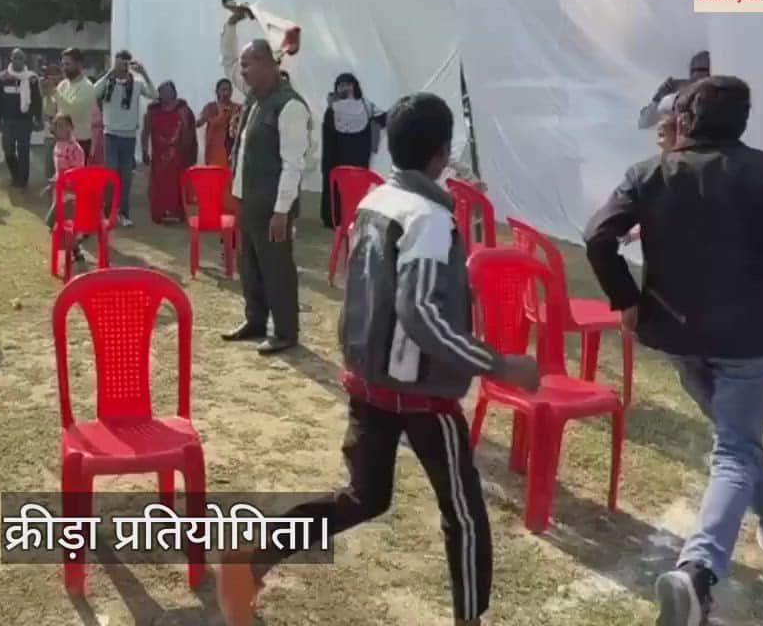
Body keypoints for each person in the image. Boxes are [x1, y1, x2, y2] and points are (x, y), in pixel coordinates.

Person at [217, 92, 541, 626]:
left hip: (369, 378)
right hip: (419, 391)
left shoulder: (375, 202)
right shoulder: (429, 218)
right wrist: (498, 364)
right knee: (462, 513)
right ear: (441, 155)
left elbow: (369, 287)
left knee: (365, 497)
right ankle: (470, 618)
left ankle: (253, 556)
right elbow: (419, 313)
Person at [584, 76, 763, 626]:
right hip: (746, 341)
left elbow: (597, 237)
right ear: (743, 120)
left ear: (684, 118)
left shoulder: (650, 173)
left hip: (679, 337)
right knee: (736, 452)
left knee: (738, 450)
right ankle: (697, 574)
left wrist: (626, 300)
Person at [217, 8, 313, 355]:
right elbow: (227, 61)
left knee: (277, 269)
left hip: (274, 206)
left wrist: (281, 211)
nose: (242, 70)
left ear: (271, 64)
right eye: (243, 65)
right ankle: (256, 319)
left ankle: (285, 331)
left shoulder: (289, 106)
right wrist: (231, 25)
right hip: (248, 200)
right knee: (250, 264)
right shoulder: (256, 96)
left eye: (250, 63)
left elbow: (293, 164)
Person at [93, 50, 154, 226]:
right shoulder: (108, 82)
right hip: (110, 134)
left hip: (128, 136)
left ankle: (124, 214)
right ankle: (108, 212)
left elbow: (154, 95)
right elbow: (94, 92)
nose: (123, 67)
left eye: (126, 63)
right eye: (119, 62)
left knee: (126, 176)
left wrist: (144, 73)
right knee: (110, 173)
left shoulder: (136, 83)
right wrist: (108, 73)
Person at [321, 72, 386, 228]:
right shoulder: (332, 109)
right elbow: (328, 137)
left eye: (347, 84)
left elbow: (383, 119)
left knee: (357, 187)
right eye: (341, 85)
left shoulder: (365, 105)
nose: (344, 87)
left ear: (354, 85)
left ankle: (354, 216)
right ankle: (335, 218)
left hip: (359, 155)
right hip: (337, 155)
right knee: (336, 188)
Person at [142, 80, 196, 224]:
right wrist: (144, 149)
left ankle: (178, 213)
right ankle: (159, 212)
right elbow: (145, 131)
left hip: (178, 156)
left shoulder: (183, 109)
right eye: (162, 91)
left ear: (174, 92)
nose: (165, 94)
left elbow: (189, 131)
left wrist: (188, 151)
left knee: (178, 185)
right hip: (158, 156)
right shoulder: (153, 110)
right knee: (159, 185)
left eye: (167, 91)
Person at [0, 48, 42, 189]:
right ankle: (15, 175)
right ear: (11, 59)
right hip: (7, 120)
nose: (17, 60)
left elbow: (36, 99)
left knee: (23, 151)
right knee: (8, 150)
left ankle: (22, 181)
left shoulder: (32, 78)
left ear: (24, 60)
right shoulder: (3, 77)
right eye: (15, 58)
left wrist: (37, 117)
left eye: (20, 58)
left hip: (24, 121)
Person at [44, 113, 88, 263]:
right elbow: (59, 171)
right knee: (57, 226)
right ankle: (76, 249)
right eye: (56, 125)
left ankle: (76, 244)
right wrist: (54, 181)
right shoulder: (57, 146)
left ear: (70, 127)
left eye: (62, 125)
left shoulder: (75, 149)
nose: (58, 129)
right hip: (60, 192)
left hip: (71, 195)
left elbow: (77, 176)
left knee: (51, 222)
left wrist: (62, 183)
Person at [44, 48, 97, 161]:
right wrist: (47, 95)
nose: (64, 68)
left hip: (80, 141)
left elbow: (72, 111)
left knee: (77, 178)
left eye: (68, 64)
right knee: (60, 176)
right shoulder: (63, 85)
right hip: (61, 141)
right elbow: (51, 111)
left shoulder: (87, 87)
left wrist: (54, 92)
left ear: (79, 65)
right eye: (63, 64)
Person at [638, 50, 710, 129]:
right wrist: (659, 97)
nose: (699, 80)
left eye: (703, 71)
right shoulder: (678, 96)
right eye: (696, 71)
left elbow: (645, 121)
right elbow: (645, 122)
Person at [196, 77, 240, 168]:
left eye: (229, 90)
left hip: (231, 153)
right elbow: (198, 123)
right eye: (223, 90)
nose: (226, 93)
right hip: (213, 153)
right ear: (217, 91)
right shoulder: (210, 107)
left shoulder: (237, 108)